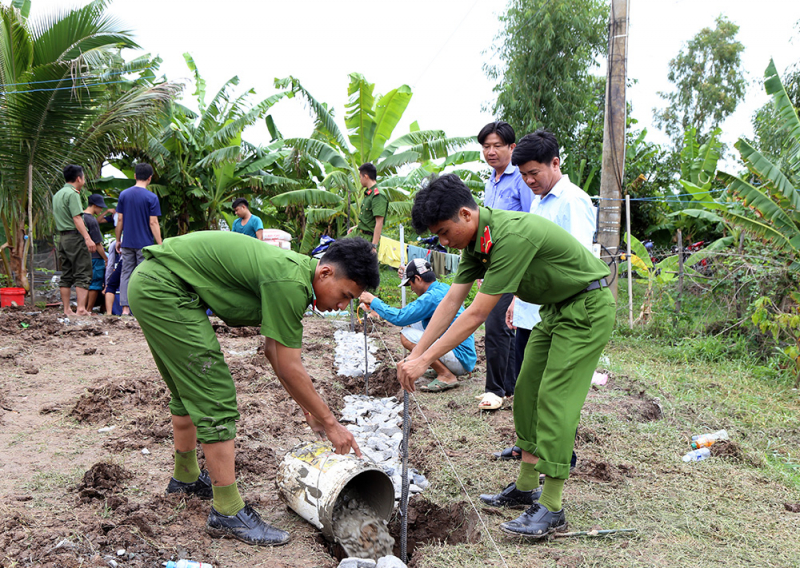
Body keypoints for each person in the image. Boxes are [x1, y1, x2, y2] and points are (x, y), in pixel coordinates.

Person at [397, 174, 615, 539]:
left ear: (466, 214)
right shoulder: (476, 245)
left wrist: (423, 359)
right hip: (556, 310)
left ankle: (553, 505)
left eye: (445, 232)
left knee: (554, 399)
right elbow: (452, 301)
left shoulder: (510, 236)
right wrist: (416, 355)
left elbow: (475, 314)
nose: (444, 242)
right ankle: (526, 486)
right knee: (526, 392)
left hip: (586, 308)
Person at [127, 232, 379, 546]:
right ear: (325, 272)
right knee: (213, 393)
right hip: (164, 290)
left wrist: (310, 409)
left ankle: (187, 478)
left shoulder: (294, 274)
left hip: (153, 285)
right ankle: (227, 512)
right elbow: (288, 363)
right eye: (344, 295)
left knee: (187, 390)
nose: (342, 305)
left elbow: (273, 352)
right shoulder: (291, 283)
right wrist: (330, 423)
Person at [495, 130, 598, 462]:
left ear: (555, 163)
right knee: (527, 385)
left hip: (559, 313)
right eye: (523, 175)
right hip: (531, 311)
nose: (528, 181)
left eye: (534, 173)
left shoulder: (574, 201)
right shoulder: (539, 200)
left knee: (551, 390)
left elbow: (578, 264)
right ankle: (528, 446)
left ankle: (557, 454)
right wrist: (516, 300)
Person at [476, 121, 533, 411]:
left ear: (512, 147)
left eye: (497, 145)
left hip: (516, 265)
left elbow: (531, 222)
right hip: (495, 264)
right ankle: (508, 387)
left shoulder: (521, 180)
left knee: (497, 325)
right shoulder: (491, 182)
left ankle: (495, 389)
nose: (491, 151)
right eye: (486, 146)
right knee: (505, 326)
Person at [359, 259, 476, 392]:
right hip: (466, 356)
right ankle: (441, 368)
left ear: (418, 279)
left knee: (406, 335)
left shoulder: (431, 297)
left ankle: (446, 374)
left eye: (410, 284)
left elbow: (400, 318)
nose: (412, 289)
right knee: (413, 324)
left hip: (460, 359)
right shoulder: (442, 288)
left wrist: (374, 301)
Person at [115, 163, 162, 316]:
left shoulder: (124, 195)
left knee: (126, 273)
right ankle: (142, 309)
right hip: (145, 244)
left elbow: (120, 219)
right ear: (150, 178)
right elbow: (153, 222)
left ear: (135, 176)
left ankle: (125, 309)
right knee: (143, 275)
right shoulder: (151, 197)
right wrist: (160, 244)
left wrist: (117, 240)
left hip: (127, 242)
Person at [52, 165, 96, 317]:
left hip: (62, 237)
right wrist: (87, 237)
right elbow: (77, 218)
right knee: (82, 272)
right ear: (79, 178)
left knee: (67, 273)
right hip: (74, 237)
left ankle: (66, 310)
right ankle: (81, 309)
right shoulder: (72, 194)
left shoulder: (58, 194)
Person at [349, 163, 387, 251]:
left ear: (365, 176)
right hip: (358, 232)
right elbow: (368, 219)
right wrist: (356, 227)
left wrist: (374, 246)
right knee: (335, 247)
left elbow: (379, 222)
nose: (360, 180)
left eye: (360, 177)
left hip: (367, 238)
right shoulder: (369, 193)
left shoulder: (378, 195)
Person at [82, 194, 109, 313]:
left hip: (82, 256)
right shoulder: (92, 220)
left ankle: (81, 308)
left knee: (83, 282)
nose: (101, 210)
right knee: (95, 284)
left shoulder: (79, 217)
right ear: (95, 206)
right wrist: (106, 259)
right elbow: (97, 244)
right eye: (100, 207)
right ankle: (89, 310)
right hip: (95, 257)